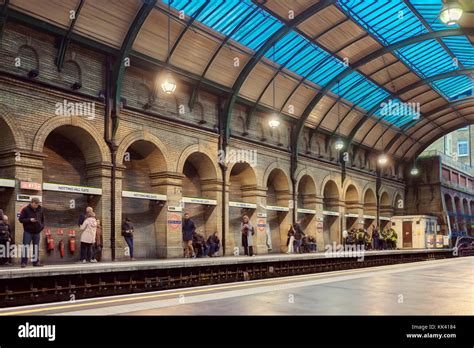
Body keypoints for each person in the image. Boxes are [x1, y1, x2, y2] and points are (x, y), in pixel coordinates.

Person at [19, 197, 45, 267]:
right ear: (32, 202)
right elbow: (21, 219)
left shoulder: (40, 209)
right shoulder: (25, 209)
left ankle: (36, 262)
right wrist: (29, 220)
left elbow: (43, 220)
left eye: (38, 204)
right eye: (35, 204)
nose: (36, 205)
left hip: (37, 232)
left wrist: (41, 227)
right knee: (26, 247)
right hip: (28, 231)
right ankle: (23, 262)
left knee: (36, 247)